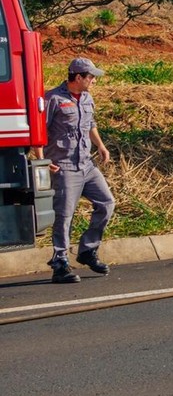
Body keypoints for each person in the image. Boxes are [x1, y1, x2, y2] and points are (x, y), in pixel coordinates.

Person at [39, 57, 116, 283]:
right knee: (64, 216)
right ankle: (60, 263)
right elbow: (39, 130)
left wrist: (101, 146)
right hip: (64, 166)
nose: (94, 81)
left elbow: (90, 124)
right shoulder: (53, 98)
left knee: (107, 203)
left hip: (86, 164)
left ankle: (87, 250)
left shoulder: (87, 98)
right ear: (78, 77)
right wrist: (42, 160)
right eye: (91, 77)